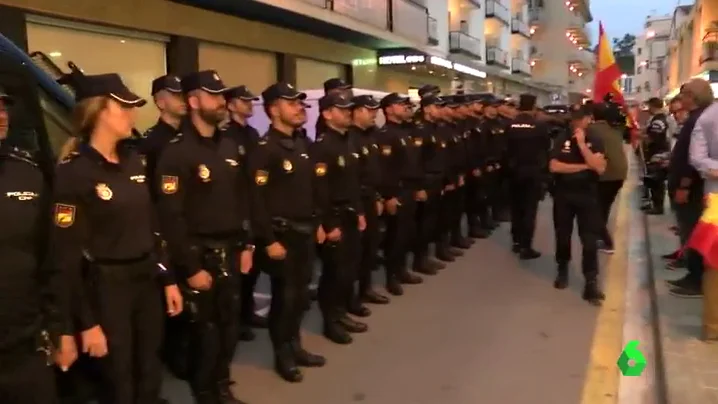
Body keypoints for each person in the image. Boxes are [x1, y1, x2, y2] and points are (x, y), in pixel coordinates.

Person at [50, 74, 184, 404]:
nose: (132, 114)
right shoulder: (73, 172)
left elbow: (151, 225)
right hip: (107, 288)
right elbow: (65, 257)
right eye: (123, 107)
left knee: (150, 367)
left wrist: (167, 278)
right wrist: (86, 323)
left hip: (146, 280)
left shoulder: (132, 160)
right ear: (99, 112)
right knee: (118, 379)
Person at [154, 70, 252, 404]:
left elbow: (243, 200)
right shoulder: (175, 152)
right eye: (213, 95)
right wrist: (191, 266)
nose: (221, 101)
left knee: (229, 325)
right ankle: (207, 393)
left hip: (232, 250)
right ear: (194, 101)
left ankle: (222, 384)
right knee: (205, 333)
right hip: (200, 256)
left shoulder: (229, 146)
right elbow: (170, 216)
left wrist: (248, 243)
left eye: (222, 94)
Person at [247, 82, 326, 382]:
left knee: (300, 297)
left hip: (305, 232)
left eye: (299, 103)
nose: (299, 108)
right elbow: (256, 200)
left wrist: (318, 222)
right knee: (285, 299)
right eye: (290, 102)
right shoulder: (264, 150)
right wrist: (268, 240)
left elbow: (310, 191)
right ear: (273, 109)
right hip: (283, 236)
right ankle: (283, 354)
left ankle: (296, 346)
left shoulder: (302, 145)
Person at [0, 87, 73, 403]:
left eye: (3, 107)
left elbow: (51, 259)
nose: (2, 115)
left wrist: (60, 328)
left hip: (25, 341)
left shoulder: (26, 172)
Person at [310, 92, 368, 345]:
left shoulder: (348, 142)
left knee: (348, 269)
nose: (347, 112)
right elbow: (320, 191)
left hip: (351, 214)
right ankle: (330, 322)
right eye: (341, 109)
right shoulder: (323, 146)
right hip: (334, 218)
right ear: (326, 114)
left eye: (348, 109)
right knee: (334, 273)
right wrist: (329, 224)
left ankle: (341, 312)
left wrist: (360, 212)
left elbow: (352, 183)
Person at [222, 85, 268, 341]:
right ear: (230, 105)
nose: (250, 104)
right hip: (238, 205)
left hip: (255, 201)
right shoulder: (227, 135)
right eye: (244, 100)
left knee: (254, 268)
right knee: (240, 270)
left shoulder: (252, 133)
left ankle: (248, 311)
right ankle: (237, 319)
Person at [549, 106, 607, 306]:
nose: (575, 123)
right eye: (573, 119)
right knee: (562, 235)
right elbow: (555, 166)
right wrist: (585, 165)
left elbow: (599, 168)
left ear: (588, 119)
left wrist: (582, 145)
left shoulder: (595, 138)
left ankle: (591, 281)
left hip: (588, 196)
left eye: (579, 119)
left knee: (590, 241)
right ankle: (562, 269)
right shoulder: (562, 136)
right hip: (564, 195)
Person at [376, 93, 424, 296]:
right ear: (388, 109)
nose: (405, 108)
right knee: (394, 237)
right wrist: (390, 196)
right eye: (400, 105)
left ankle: (402, 270)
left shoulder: (405, 132)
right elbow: (385, 169)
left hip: (409, 188)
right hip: (397, 190)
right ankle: (392, 277)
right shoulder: (386, 134)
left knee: (406, 234)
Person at [669, 79, 713, 298]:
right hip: (691, 187)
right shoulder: (697, 119)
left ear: (693, 97)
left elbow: (692, 160)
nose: (681, 98)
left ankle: (696, 278)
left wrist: (684, 186)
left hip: (693, 190)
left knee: (693, 231)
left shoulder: (699, 120)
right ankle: (692, 273)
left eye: (684, 94)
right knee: (689, 230)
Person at [348, 95, 391, 305]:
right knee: (354, 253)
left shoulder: (372, 135)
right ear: (355, 111)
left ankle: (365, 288)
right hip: (357, 201)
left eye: (375, 110)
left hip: (372, 198)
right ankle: (350, 298)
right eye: (369, 110)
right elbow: (352, 178)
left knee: (370, 248)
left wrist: (379, 196)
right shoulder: (349, 138)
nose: (374, 113)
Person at [505, 94, 550, 259]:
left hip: (514, 172)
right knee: (530, 210)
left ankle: (516, 242)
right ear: (533, 107)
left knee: (516, 208)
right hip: (532, 173)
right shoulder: (540, 126)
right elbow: (545, 149)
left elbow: (506, 149)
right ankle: (526, 246)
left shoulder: (510, 125)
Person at [412, 94, 450, 275]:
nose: (440, 110)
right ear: (426, 109)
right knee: (423, 224)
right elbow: (417, 161)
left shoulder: (437, 128)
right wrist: (420, 187)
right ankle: (420, 260)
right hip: (426, 181)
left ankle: (427, 257)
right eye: (436, 106)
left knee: (432, 221)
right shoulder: (421, 130)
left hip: (437, 179)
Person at [139, 74, 187, 196]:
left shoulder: (193, 133)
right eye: (176, 96)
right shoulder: (151, 140)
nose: (183, 100)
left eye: (184, 95)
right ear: (161, 102)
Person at [590, 102, 628, 254]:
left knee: (594, 208)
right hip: (619, 174)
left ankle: (606, 241)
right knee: (603, 206)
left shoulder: (592, 130)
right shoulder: (616, 129)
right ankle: (599, 236)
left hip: (606, 174)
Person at [642, 97, 670, 215]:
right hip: (659, 153)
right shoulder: (660, 119)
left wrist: (641, 136)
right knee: (655, 181)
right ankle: (655, 204)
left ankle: (658, 206)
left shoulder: (658, 121)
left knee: (656, 181)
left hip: (657, 154)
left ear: (653, 106)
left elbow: (652, 138)